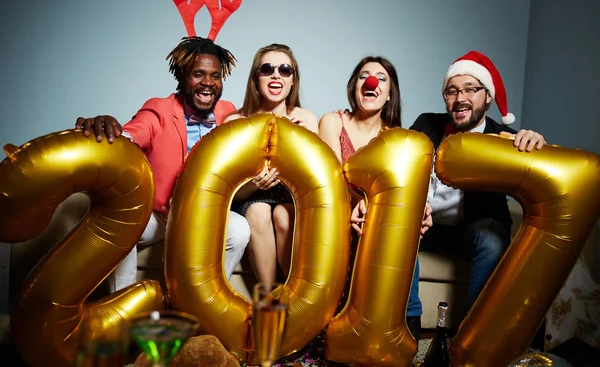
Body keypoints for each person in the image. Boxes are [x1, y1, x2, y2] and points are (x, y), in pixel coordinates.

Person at [75, 36, 251, 293]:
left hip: (204, 212)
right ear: (182, 77)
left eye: (215, 76)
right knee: (122, 224)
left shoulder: (227, 112)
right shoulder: (159, 109)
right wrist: (108, 127)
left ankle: (203, 302)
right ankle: (123, 308)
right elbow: (132, 134)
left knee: (239, 230)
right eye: (198, 74)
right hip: (159, 215)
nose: (207, 83)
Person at [407, 50, 545, 318]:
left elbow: (539, 176)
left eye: (470, 89)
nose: (460, 99)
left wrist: (535, 142)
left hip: (472, 230)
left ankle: (470, 335)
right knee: (398, 226)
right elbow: (404, 167)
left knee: (492, 240)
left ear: (489, 96)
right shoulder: (427, 123)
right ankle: (409, 320)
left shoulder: (505, 138)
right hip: (426, 226)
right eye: (452, 91)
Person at [319, 55, 432, 341]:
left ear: (390, 93)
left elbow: (401, 189)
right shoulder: (333, 122)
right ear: (354, 87)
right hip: (340, 219)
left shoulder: (396, 137)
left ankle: (407, 324)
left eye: (381, 78)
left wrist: (419, 207)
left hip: (376, 222)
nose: (371, 81)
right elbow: (333, 183)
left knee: (404, 225)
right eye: (364, 76)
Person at [224, 43, 318, 290]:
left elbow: (315, 180)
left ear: (292, 81)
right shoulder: (236, 121)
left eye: (285, 70)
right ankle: (267, 300)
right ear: (256, 78)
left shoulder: (306, 119)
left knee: (283, 215)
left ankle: (294, 296)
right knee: (258, 211)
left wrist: (301, 139)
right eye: (267, 68)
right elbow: (227, 188)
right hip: (248, 198)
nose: (277, 74)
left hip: (292, 199)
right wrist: (253, 186)